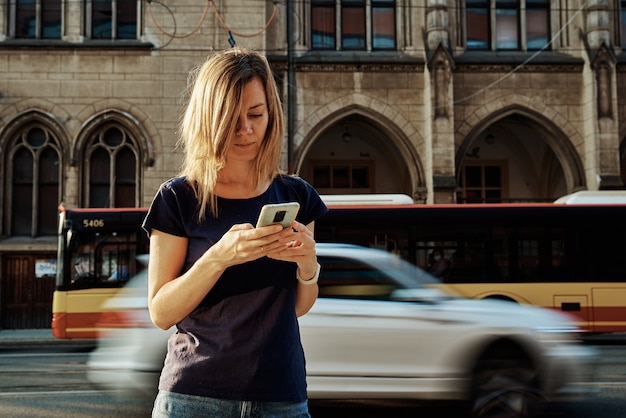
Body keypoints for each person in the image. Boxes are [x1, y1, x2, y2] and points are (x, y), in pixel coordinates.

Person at [142, 47, 328, 418]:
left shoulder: (297, 196)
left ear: (270, 113)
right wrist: (218, 257)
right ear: (209, 118)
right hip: (193, 398)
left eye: (256, 114)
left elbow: (298, 307)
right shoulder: (178, 197)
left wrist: (308, 265)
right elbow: (161, 312)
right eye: (231, 118)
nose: (246, 130)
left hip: (282, 398)